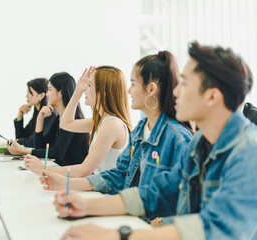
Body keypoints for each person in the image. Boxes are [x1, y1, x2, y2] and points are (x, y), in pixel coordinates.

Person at [54, 42, 257, 240]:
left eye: (184, 84)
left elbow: (214, 228)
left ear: (212, 96)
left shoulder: (249, 153)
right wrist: (85, 206)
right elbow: (158, 192)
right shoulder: (200, 144)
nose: (176, 91)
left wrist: (116, 235)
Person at [40, 51, 192, 198]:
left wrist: (54, 175)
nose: (128, 91)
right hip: (120, 202)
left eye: (133, 84)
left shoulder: (176, 137)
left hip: (134, 211)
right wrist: (65, 183)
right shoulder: (140, 129)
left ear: (151, 88)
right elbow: (119, 176)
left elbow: (176, 197)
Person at [23, 66, 132, 177]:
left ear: (102, 93)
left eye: (89, 85)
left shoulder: (112, 124)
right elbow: (66, 124)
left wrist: (43, 168)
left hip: (107, 191)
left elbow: (85, 170)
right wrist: (77, 91)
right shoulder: (100, 120)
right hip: (101, 186)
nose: (85, 89)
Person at [7, 72, 89, 166]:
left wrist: (23, 151)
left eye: (50, 89)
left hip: (74, 176)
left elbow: (57, 153)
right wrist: (40, 119)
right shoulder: (58, 118)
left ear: (61, 92)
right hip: (62, 172)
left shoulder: (74, 119)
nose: (47, 94)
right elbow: (40, 146)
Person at [14, 78, 48, 147]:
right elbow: (21, 137)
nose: (26, 96)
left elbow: (32, 142)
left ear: (41, 95)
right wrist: (20, 115)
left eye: (30, 92)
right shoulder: (36, 114)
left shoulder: (46, 114)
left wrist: (17, 142)